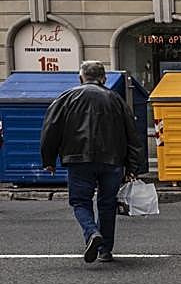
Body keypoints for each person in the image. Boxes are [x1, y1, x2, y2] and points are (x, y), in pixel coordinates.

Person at [39, 61, 140, 264]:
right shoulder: (116, 99)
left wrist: (48, 160)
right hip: (112, 160)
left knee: (80, 201)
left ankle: (91, 232)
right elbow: (132, 134)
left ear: (81, 77)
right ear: (104, 78)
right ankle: (105, 251)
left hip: (78, 159)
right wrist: (132, 167)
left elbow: (51, 129)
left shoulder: (67, 97)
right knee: (107, 203)